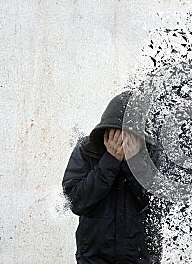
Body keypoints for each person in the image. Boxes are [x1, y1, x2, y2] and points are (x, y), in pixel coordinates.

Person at [62, 91, 161, 264]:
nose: (121, 141)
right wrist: (110, 161)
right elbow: (75, 201)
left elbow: (157, 205)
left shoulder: (152, 154)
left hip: (140, 259)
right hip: (94, 258)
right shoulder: (86, 150)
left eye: (128, 136)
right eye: (116, 134)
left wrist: (133, 165)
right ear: (105, 130)